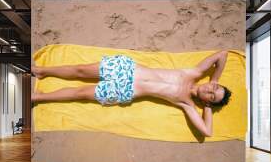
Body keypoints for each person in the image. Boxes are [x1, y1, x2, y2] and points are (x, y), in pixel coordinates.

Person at [31, 50, 231, 137]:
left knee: (80, 93)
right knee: (80, 70)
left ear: (208, 102)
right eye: (214, 88)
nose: (210, 91)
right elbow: (222, 54)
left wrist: (208, 108)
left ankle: (39, 96)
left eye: (212, 96)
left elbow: (207, 132)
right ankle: (42, 71)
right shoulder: (194, 73)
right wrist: (215, 79)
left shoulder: (187, 104)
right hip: (127, 69)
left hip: (126, 90)